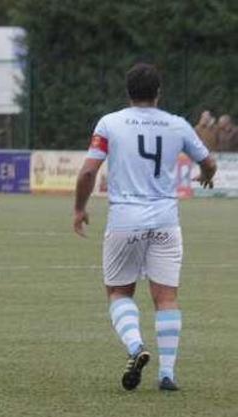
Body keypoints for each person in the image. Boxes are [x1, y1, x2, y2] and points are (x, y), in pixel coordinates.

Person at [73, 63, 217, 392]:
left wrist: (80, 208)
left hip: (125, 219)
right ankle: (167, 373)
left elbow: (86, 172)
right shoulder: (176, 124)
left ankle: (137, 347)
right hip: (166, 220)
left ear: (128, 92)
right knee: (166, 298)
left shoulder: (110, 123)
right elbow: (208, 162)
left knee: (119, 292)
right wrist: (206, 176)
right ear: (158, 92)